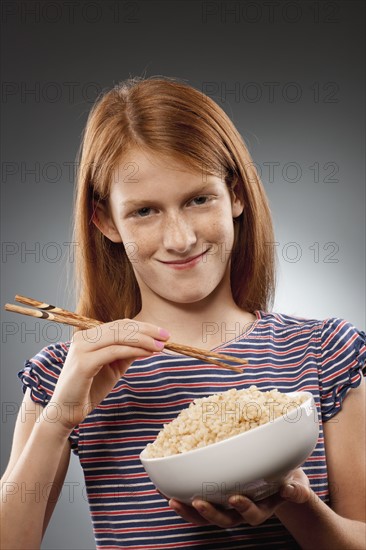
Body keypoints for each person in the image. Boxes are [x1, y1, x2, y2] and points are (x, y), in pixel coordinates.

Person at [1, 76, 365, 550]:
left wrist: (295, 501)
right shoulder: (68, 369)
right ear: (106, 221)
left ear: (235, 195)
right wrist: (60, 416)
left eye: (198, 200)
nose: (180, 239)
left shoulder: (325, 352)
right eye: (144, 211)